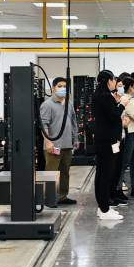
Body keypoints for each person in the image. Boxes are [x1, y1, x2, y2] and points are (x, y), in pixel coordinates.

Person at [92, 70, 130, 220]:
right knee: (106, 174)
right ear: (108, 80)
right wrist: (122, 105)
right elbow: (114, 115)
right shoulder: (105, 96)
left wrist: (116, 103)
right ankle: (104, 209)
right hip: (108, 141)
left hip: (103, 140)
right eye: (114, 79)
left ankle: (102, 207)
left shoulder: (99, 95)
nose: (115, 82)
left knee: (102, 173)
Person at [39, 77, 79, 205]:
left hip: (67, 145)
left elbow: (73, 122)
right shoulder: (47, 105)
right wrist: (48, 141)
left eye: (65, 86)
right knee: (51, 173)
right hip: (53, 146)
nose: (62, 89)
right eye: (59, 86)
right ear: (53, 88)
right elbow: (43, 125)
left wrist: (75, 138)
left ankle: (62, 196)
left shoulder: (69, 103)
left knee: (65, 172)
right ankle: (49, 198)